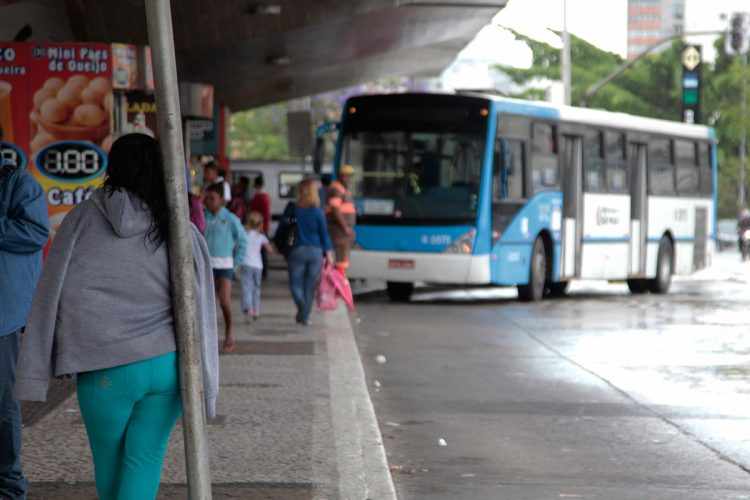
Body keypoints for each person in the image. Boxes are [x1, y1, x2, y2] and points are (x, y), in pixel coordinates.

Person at [14, 134, 219, 500]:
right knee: (144, 460)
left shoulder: (81, 219)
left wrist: (39, 364)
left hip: (104, 365)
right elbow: (200, 300)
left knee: (109, 464)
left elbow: (53, 290)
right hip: (167, 365)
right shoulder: (178, 225)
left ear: (112, 167)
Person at [0, 157, 49, 500]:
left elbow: (34, 232)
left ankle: (9, 486)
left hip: (3, 316)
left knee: (2, 404)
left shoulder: (19, 183)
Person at [204, 182, 247, 352]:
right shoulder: (202, 216)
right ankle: (208, 337)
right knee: (207, 304)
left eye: (212, 198)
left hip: (225, 266)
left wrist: (236, 262)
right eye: (206, 198)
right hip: (206, 266)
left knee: (224, 301)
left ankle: (229, 331)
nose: (208, 201)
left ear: (221, 200)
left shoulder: (230, 218)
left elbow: (243, 241)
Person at [285, 178, 333, 325]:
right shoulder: (318, 212)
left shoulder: (294, 210)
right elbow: (324, 234)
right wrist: (329, 254)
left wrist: (288, 248)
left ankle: (301, 306)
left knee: (295, 284)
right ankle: (304, 316)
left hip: (297, 250)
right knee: (310, 286)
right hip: (316, 252)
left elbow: (290, 231)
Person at [239, 211, 274, 321]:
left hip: (246, 264)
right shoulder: (261, 236)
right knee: (256, 288)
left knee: (247, 286)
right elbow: (270, 250)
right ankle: (256, 310)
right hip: (258, 266)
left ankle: (248, 308)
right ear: (260, 224)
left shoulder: (244, 234)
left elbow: (238, 245)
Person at [326, 164, 357, 274]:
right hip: (339, 231)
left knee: (343, 259)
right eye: (346, 176)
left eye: (350, 176)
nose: (348, 179)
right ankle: (339, 280)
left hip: (342, 232)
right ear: (341, 176)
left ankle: (340, 278)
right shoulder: (336, 189)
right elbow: (335, 209)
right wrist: (345, 228)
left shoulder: (343, 189)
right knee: (341, 258)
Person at [249, 175, 272, 278]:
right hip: (260, 226)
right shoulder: (265, 197)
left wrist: (262, 227)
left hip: (258, 226)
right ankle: (263, 271)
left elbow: (263, 214)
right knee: (261, 249)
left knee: (261, 250)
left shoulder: (259, 197)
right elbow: (267, 215)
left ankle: (264, 272)